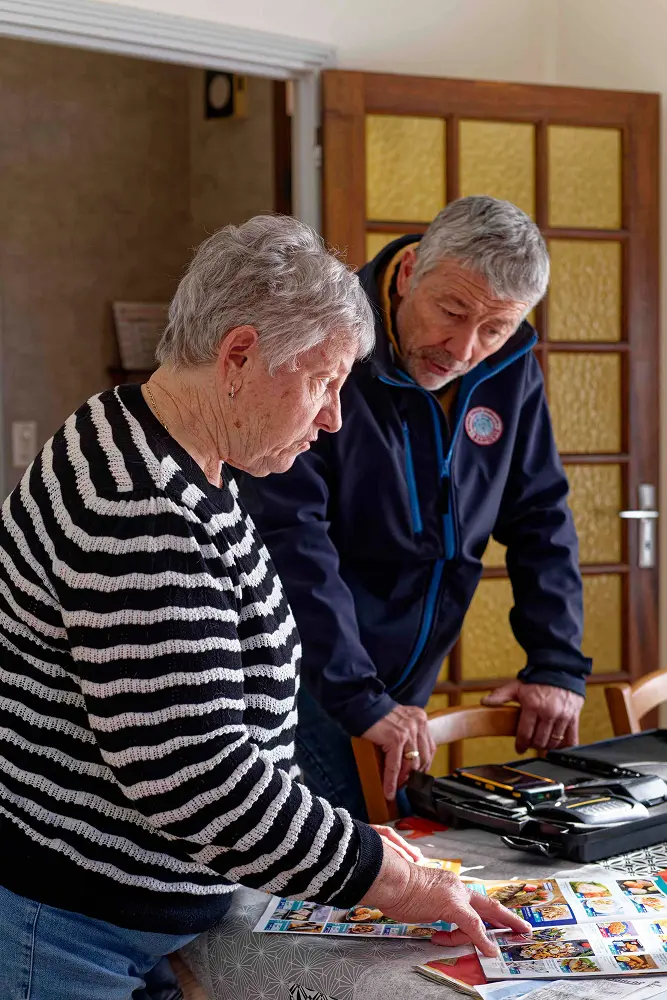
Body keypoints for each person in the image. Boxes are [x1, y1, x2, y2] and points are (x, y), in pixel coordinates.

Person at [0, 215, 529, 999]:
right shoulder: (138, 507)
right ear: (239, 355)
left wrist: (341, 844)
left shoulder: (177, 451)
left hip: (136, 913)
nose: (333, 418)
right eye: (321, 382)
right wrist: (380, 874)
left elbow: (218, 718)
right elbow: (197, 778)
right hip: (76, 927)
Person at [238, 197, 591, 820]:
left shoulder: (509, 366)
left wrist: (557, 662)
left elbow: (539, 514)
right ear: (407, 276)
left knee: (390, 859)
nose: (462, 349)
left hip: (408, 674)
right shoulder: (329, 343)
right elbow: (291, 534)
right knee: (336, 870)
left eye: (494, 328)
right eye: (450, 311)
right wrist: (358, 695)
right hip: (311, 668)